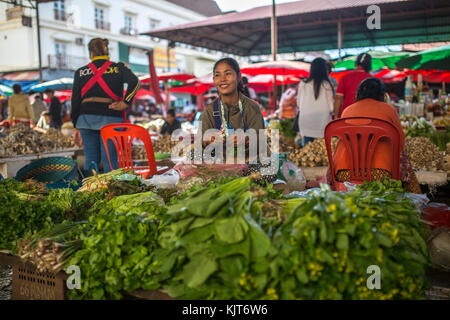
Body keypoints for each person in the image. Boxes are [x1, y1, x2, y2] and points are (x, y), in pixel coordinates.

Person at [332, 78, 420, 193]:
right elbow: (400, 143)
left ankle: (332, 187)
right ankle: (415, 202)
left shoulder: (347, 111)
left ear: (358, 94)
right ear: (383, 95)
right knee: (402, 157)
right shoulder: (389, 110)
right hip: (381, 172)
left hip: (345, 171)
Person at [71, 38, 140, 173]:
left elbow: (75, 101)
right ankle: (111, 191)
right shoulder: (118, 68)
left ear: (91, 53)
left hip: (85, 120)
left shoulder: (80, 72)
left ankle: (89, 190)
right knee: (110, 160)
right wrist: (125, 102)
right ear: (107, 51)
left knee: (90, 160)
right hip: (111, 119)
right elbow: (135, 82)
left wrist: (75, 124)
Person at [297, 57, 334, 147]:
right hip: (322, 125)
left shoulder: (303, 84)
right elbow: (331, 107)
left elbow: (299, 104)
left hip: (305, 124)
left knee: (307, 155)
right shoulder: (326, 85)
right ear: (324, 69)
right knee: (320, 154)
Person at [334, 53, 372, 118]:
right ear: (369, 65)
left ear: (355, 63)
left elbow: (338, 98)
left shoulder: (345, 77)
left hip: (346, 114)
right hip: (366, 116)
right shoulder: (372, 79)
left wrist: (335, 116)